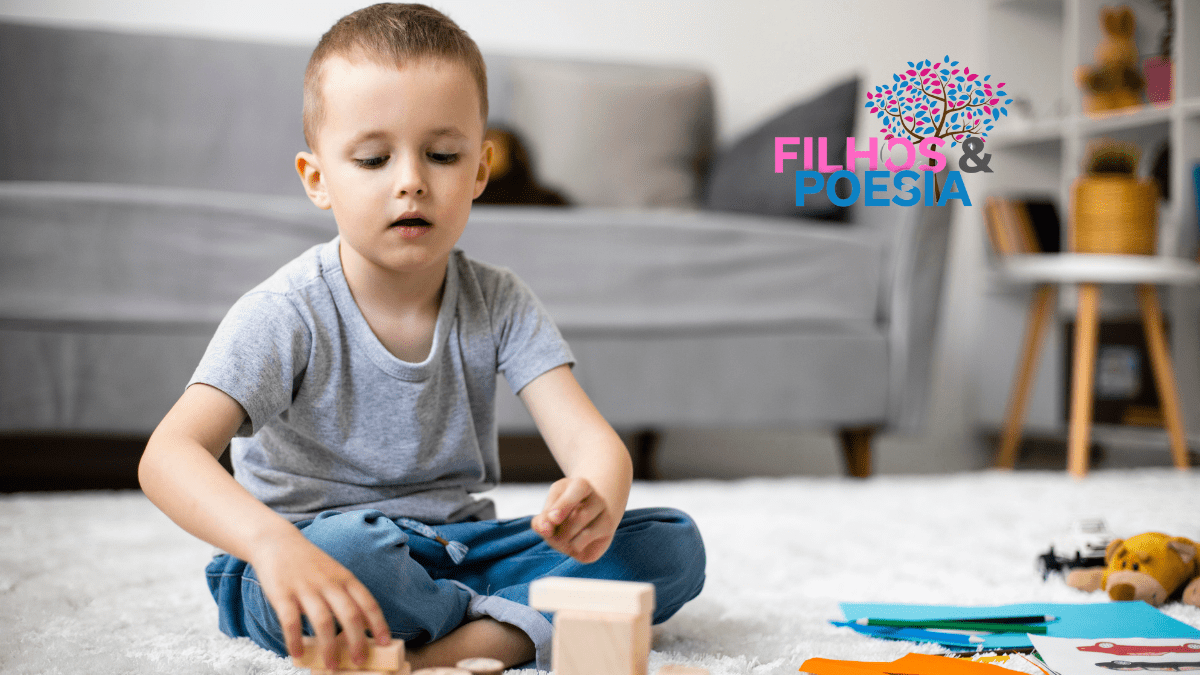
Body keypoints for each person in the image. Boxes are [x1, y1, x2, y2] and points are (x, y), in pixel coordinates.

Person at [137, 3, 705, 672]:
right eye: (375, 158)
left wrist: (596, 491)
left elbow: (587, 439)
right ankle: (510, 624)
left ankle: (451, 644)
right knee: (357, 555)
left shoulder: (499, 300)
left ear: (479, 173)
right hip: (309, 559)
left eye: (442, 154)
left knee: (669, 545)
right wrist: (271, 545)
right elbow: (167, 456)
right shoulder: (285, 311)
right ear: (317, 178)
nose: (411, 180)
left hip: (459, 548)